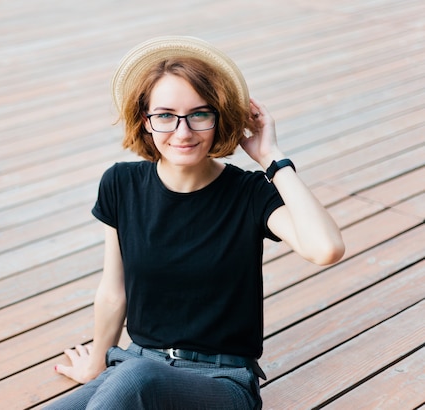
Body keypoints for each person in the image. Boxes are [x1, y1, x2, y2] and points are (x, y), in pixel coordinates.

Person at [47, 36, 345, 409]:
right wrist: (96, 364)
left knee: (136, 378)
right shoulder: (121, 184)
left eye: (199, 114)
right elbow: (113, 289)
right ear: (145, 120)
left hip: (220, 382)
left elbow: (327, 248)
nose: (183, 132)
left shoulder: (249, 193)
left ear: (219, 118)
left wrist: (272, 157)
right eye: (166, 115)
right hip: (135, 367)